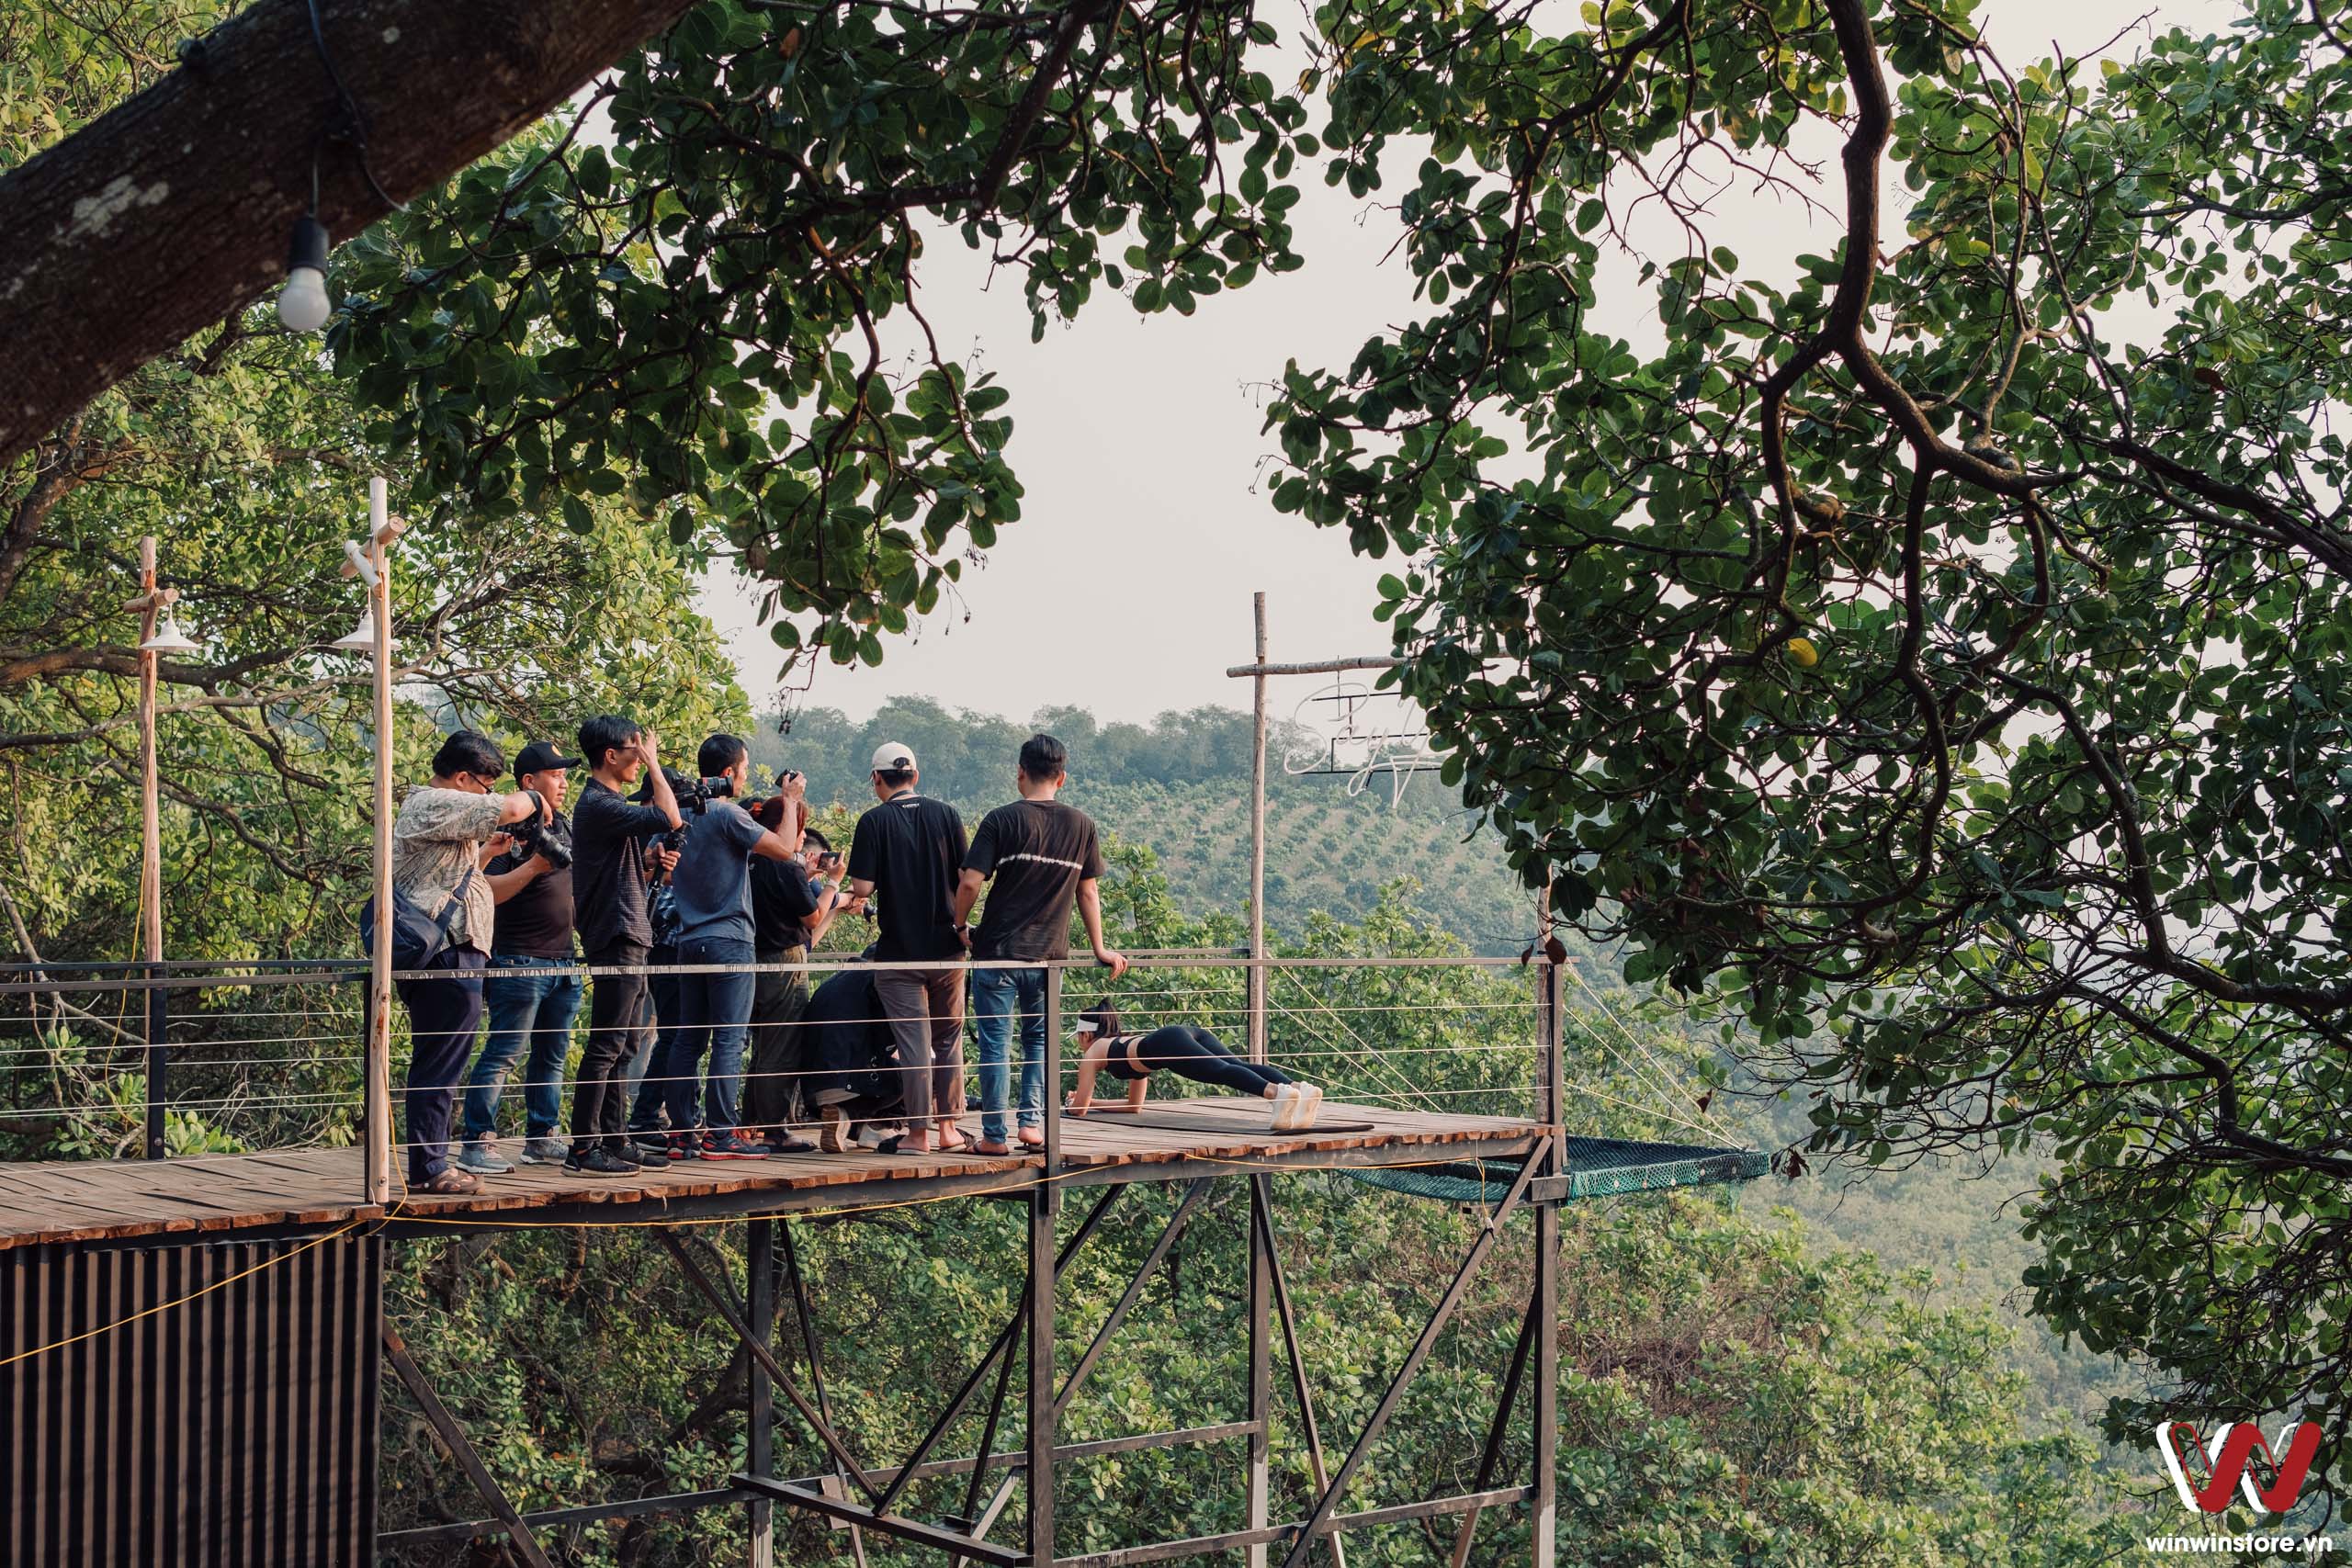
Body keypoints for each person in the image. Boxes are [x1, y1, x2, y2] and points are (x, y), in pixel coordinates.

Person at [387, 730, 555, 1195]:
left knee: (444, 1062)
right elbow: (512, 807)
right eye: (484, 785)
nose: (488, 794)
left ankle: (432, 1162)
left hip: (454, 951)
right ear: (462, 777)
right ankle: (431, 1168)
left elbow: (445, 877)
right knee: (439, 1064)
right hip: (445, 954)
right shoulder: (433, 802)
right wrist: (536, 798)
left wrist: (488, 854)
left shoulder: (441, 813)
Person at [953, 733, 1127, 1155]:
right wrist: (1100, 948)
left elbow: (971, 881)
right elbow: (1088, 893)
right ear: (1062, 778)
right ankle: (1031, 1125)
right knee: (1037, 1042)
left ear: (1020, 772)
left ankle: (994, 1136)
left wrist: (958, 924)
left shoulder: (1001, 820)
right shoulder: (1081, 825)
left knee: (996, 1043)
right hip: (1050, 956)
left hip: (997, 953)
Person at [662, 735, 808, 1159]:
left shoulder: (679, 813)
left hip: (689, 940)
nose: (745, 776)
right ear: (728, 773)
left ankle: (680, 1133)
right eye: (744, 768)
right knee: (729, 1039)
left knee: (689, 1040)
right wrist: (791, 800)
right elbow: (782, 850)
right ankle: (720, 1135)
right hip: (729, 940)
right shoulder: (724, 813)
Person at [456, 739, 584, 1174]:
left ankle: (542, 1136)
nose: (563, 783)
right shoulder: (508, 831)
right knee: (505, 1053)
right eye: (556, 774)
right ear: (529, 782)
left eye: (566, 774)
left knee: (552, 1053)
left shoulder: (562, 825)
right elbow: (484, 892)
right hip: (519, 960)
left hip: (565, 960)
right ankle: (477, 1143)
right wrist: (530, 867)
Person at [567, 715, 683, 1176]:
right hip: (616, 932)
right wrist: (656, 766)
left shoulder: (608, 804)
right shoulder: (597, 801)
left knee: (626, 1044)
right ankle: (583, 1149)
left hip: (630, 930)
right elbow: (670, 815)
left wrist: (651, 860)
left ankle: (615, 1140)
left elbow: (620, 861)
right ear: (611, 756)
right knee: (607, 1044)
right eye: (635, 750)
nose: (641, 758)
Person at [846, 742, 969, 1153]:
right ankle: (948, 1128)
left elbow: (862, 888)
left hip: (899, 951)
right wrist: (960, 923)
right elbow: (966, 877)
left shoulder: (873, 822)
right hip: (948, 948)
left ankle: (917, 1135)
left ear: (877, 779)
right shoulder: (947, 814)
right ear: (915, 776)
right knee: (949, 1037)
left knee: (914, 1041)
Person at [742, 809, 859, 1154]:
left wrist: (807, 877)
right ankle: (775, 1129)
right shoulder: (784, 865)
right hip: (784, 960)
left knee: (763, 1046)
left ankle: (750, 1123)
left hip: (753, 956)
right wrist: (834, 883)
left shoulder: (750, 860)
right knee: (782, 1047)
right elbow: (812, 917)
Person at [1064, 1002, 1324, 1130]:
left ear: (1085, 1034)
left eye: (1077, 1037)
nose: (1078, 1043)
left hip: (1170, 1043)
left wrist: (1074, 1102)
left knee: (1220, 1072)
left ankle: (1275, 1094)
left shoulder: (1092, 1054)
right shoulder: (1120, 1046)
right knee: (1233, 1064)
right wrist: (1093, 1103)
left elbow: (1078, 1111)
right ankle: (1299, 1088)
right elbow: (1134, 1107)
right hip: (1179, 1035)